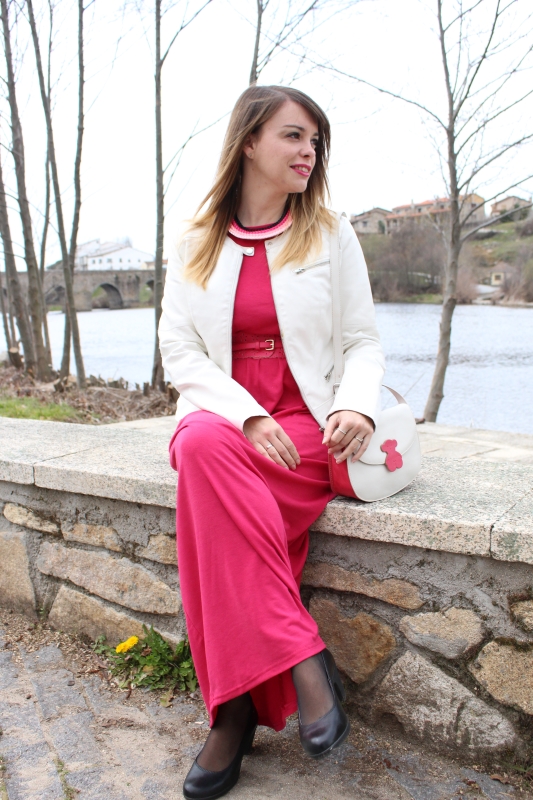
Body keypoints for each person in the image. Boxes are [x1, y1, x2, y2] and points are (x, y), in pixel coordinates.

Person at [159, 84, 385, 800]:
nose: (308, 151)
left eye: (315, 141)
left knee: (214, 526)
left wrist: (357, 407)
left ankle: (231, 717)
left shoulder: (330, 232)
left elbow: (362, 340)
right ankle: (301, 657)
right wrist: (246, 415)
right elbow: (179, 351)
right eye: (293, 136)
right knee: (201, 446)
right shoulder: (194, 236)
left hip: (309, 427)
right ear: (249, 141)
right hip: (227, 419)